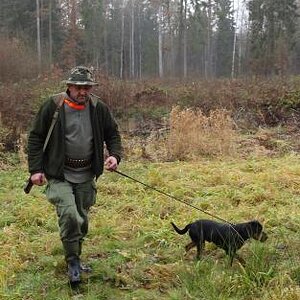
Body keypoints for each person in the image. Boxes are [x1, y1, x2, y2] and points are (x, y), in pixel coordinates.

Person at [27, 66, 122, 285]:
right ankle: (72, 262)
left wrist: (114, 156)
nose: (83, 92)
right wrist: (36, 170)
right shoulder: (53, 106)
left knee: (82, 220)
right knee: (70, 215)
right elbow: (35, 138)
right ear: (69, 86)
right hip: (59, 173)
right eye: (79, 87)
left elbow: (113, 134)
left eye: (87, 87)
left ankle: (76, 258)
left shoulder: (99, 108)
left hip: (87, 173)